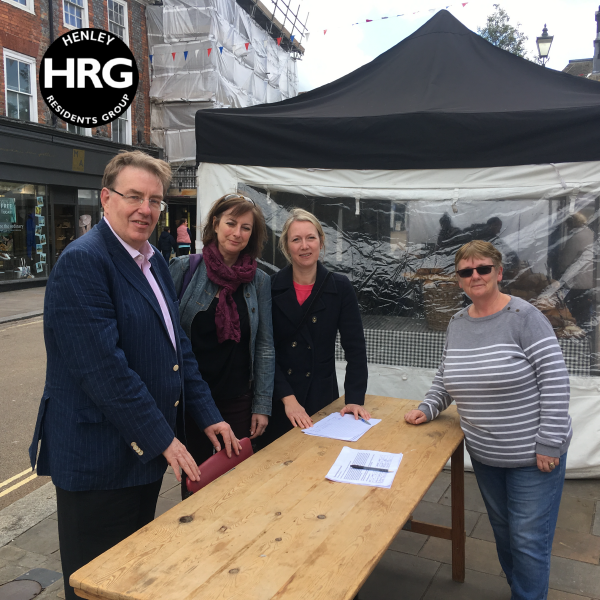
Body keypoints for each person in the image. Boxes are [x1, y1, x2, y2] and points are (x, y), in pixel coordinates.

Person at [28, 151, 240, 600]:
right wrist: (164, 438)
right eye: (134, 196)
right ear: (106, 199)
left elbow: (176, 349)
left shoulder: (153, 260)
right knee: (97, 586)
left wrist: (207, 413)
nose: (146, 209)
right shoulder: (83, 261)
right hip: (98, 460)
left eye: (155, 200)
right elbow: (104, 370)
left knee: (132, 578)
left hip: (140, 458)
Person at [405, 240, 572, 600]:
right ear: (459, 280)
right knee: (505, 534)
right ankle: (523, 592)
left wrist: (549, 443)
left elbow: (556, 382)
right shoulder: (457, 322)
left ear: (498, 272)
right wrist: (428, 407)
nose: (475, 276)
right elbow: (446, 375)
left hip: (533, 456)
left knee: (528, 541)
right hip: (486, 454)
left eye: (483, 269)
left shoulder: (525, 318)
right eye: (466, 271)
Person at [169, 193, 275, 496]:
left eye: (246, 227)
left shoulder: (260, 281)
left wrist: (262, 405)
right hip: (191, 401)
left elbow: (265, 346)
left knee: (235, 489)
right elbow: (167, 338)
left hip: (237, 401)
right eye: (231, 223)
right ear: (215, 224)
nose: (237, 233)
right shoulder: (183, 269)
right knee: (196, 486)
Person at [260, 208, 369, 446]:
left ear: (321, 241)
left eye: (310, 237)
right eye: (296, 239)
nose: (304, 246)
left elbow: (355, 348)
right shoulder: (270, 287)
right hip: (281, 398)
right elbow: (266, 351)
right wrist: (287, 399)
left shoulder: (340, 287)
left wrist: (354, 399)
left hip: (321, 397)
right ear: (286, 246)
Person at [557, 212, 595, 329]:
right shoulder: (591, 233)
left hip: (577, 283)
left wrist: (557, 271)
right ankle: (585, 336)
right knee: (585, 313)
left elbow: (565, 260)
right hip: (590, 281)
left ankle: (575, 336)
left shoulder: (576, 237)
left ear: (571, 224)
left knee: (572, 315)